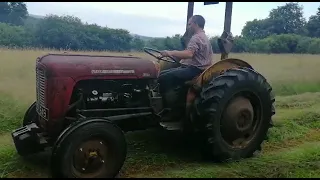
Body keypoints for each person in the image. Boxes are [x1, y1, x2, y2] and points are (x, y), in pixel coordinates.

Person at [157, 15, 214, 121]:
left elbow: (189, 54)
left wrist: (169, 52)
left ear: (195, 24)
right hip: (199, 68)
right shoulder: (204, 37)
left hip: (195, 70)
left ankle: (170, 110)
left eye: (189, 24)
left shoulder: (196, 37)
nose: (188, 27)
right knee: (167, 74)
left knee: (162, 78)